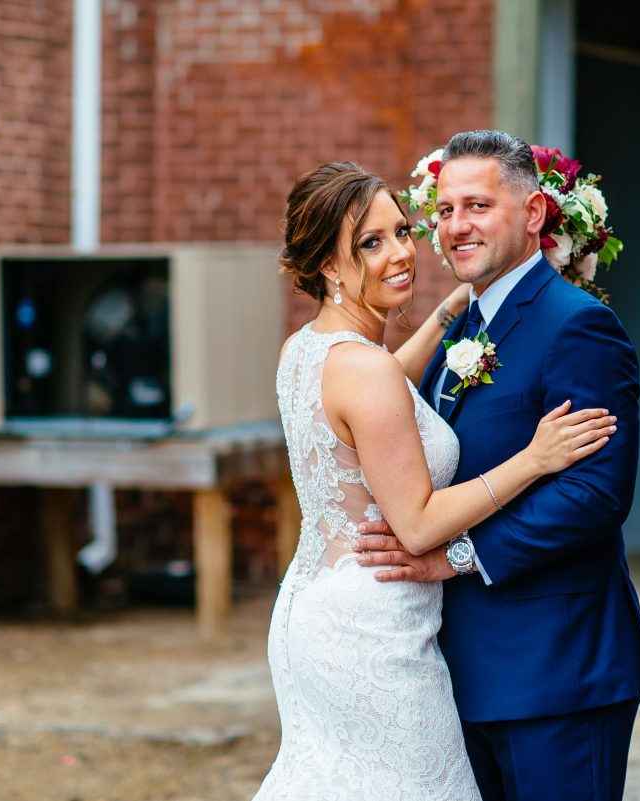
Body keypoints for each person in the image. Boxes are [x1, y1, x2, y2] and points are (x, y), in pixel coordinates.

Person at [255, 160, 618, 800]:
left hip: (312, 609)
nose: (401, 253)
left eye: (402, 231)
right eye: (371, 243)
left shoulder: (305, 350)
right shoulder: (366, 373)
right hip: (375, 629)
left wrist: (456, 306)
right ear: (330, 266)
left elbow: (384, 388)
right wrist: (534, 459)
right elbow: (418, 524)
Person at [354, 130, 640, 801]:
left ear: (532, 214)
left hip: (555, 670)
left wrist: (456, 556)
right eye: (445, 210)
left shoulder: (578, 325)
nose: (456, 225)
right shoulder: (464, 324)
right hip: (460, 668)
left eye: (478, 206)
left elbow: (596, 492)